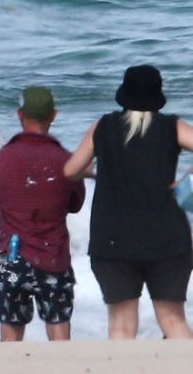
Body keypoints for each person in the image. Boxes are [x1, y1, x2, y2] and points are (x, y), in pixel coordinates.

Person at [63, 65, 193, 339]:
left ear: (124, 93)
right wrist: (186, 181)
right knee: (173, 321)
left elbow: (70, 170)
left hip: (113, 239)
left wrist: (96, 173)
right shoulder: (172, 126)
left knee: (121, 325)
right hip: (168, 238)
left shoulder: (104, 126)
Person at [0, 87, 86, 342]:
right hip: (52, 254)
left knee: (10, 326)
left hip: (9, 254)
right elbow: (76, 205)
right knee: (58, 323)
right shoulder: (65, 159)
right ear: (53, 115)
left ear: (20, 115)